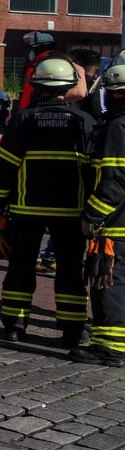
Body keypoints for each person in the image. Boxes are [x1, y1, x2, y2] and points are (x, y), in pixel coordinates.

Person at [0, 56, 95, 351]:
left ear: (36, 86)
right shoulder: (84, 121)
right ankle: (72, 330)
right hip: (70, 211)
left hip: (26, 209)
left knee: (20, 267)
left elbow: (5, 164)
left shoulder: (22, 120)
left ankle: (15, 326)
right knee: (71, 270)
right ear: (69, 86)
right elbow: (93, 169)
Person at [80, 63, 125, 366]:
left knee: (109, 281)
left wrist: (93, 215)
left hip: (116, 224)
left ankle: (109, 346)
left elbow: (116, 178)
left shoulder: (117, 126)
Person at [15, 31, 57, 111]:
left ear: (39, 48)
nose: (31, 51)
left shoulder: (36, 65)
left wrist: (22, 114)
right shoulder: (62, 62)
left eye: (33, 48)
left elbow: (28, 92)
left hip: (35, 110)